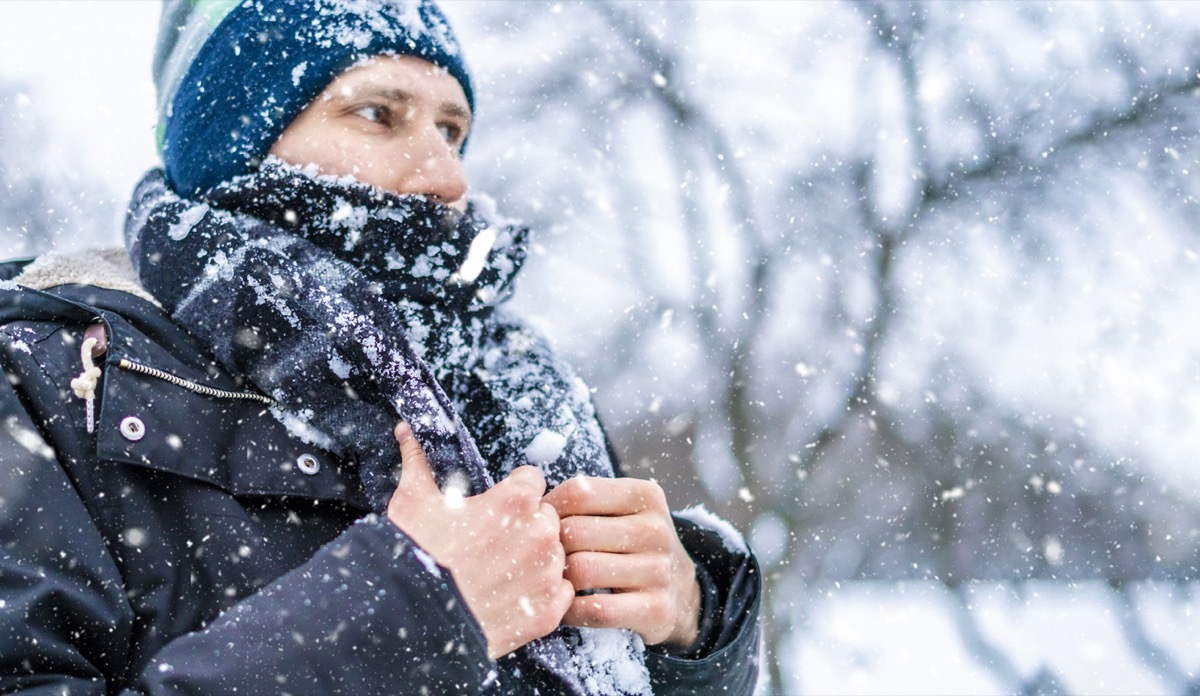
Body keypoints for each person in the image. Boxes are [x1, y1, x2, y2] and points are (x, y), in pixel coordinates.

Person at [0, 1, 760, 693]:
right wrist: (409, 617)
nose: (446, 176)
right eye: (377, 112)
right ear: (235, 142)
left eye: (452, 130)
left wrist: (692, 626)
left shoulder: (515, 384)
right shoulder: (45, 380)